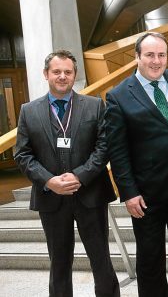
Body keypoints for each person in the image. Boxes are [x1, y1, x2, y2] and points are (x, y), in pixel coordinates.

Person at [14, 50, 119, 297]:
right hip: (51, 198)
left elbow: (104, 147)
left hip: (90, 195)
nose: (62, 76)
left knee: (101, 259)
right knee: (59, 263)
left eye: (68, 72)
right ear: (46, 74)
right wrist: (49, 181)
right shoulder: (29, 111)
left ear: (75, 75)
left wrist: (80, 176)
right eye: (57, 72)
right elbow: (23, 154)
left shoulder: (94, 106)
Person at [105, 32, 168, 297]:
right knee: (150, 258)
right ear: (137, 57)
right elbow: (118, 151)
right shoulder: (118, 96)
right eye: (150, 55)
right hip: (147, 195)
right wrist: (129, 192)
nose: (156, 61)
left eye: (162, 55)